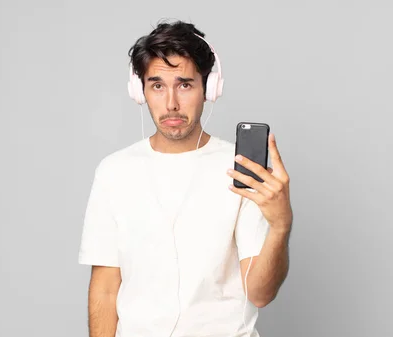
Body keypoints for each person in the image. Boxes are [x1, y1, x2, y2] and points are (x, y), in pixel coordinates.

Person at [78, 19, 293, 337]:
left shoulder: (241, 167)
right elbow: (106, 288)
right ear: (140, 91)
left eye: (185, 84)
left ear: (210, 88)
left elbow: (260, 294)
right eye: (157, 86)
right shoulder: (113, 172)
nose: (171, 103)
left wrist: (280, 226)